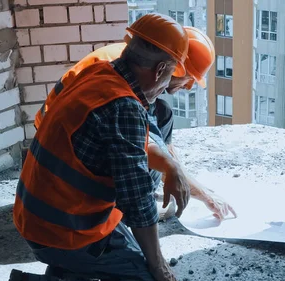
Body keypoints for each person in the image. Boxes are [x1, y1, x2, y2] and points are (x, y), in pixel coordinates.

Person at [4, 13, 189, 281]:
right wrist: (158, 266)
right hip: (63, 231)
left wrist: (172, 167)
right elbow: (138, 202)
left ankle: (67, 274)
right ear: (160, 71)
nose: (166, 88)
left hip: (35, 216)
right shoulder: (125, 107)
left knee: (133, 248)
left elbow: (131, 156)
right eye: (170, 78)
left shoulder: (98, 74)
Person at [33, 26, 236, 222]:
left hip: (54, 132)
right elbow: (159, 156)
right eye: (189, 78)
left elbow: (169, 157)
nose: (189, 87)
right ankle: (122, 207)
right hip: (67, 150)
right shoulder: (133, 88)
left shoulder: (133, 61)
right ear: (172, 65)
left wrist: (194, 186)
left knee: (162, 115)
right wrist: (205, 196)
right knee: (145, 153)